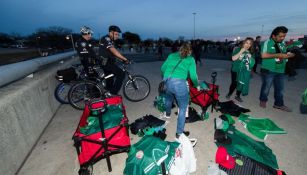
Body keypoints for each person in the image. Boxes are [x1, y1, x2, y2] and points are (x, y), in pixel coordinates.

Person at [160, 42, 199, 138]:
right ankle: (179, 133)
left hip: (167, 81)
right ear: (190, 51)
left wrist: (165, 77)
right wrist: (197, 85)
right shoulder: (190, 59)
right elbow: (193, 75)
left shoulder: (172, 55)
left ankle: (168, 114)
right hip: (179, 84)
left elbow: (162, 68)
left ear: (180, 49)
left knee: (168, 98)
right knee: (183, 107)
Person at [259, 26, 295, 112]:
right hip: (269, 70)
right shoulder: (267, 43)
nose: (282, 38)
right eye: (280, 36)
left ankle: (278, 104)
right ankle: (263, 100)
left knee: (280, 89)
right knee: (266, 87)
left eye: (284, 36)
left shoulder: (282, 43)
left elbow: (284, 53)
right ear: (273, 36)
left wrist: (290, 55)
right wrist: (278, 55)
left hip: (281, 70)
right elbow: (263, 55)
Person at [98, 25, 130, 95]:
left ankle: (108, 93)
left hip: (106, 62)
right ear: (110, 32)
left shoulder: (110, 40)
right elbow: (114, 51)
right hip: (106, 62)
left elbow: (112, 54)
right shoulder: (107, 39)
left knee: (110, 78)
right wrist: (125, 59)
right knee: (121, 74)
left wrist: (121, 59)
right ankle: (112, 93)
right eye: (116, 34)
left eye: (118, 35)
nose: (117, 36)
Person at [226, 37, 255, 102]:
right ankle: (229, 93)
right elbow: (233, 58)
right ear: (243, 43)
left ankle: (237, 95)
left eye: (250, 44)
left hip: (244, 71)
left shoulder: (251, 52)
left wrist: (250, 59)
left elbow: (252, 63)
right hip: (235, 70)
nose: (248, 45)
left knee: (241, 83)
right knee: (234, 83)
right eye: (246, 43)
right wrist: (241, 51)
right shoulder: (237, 49)